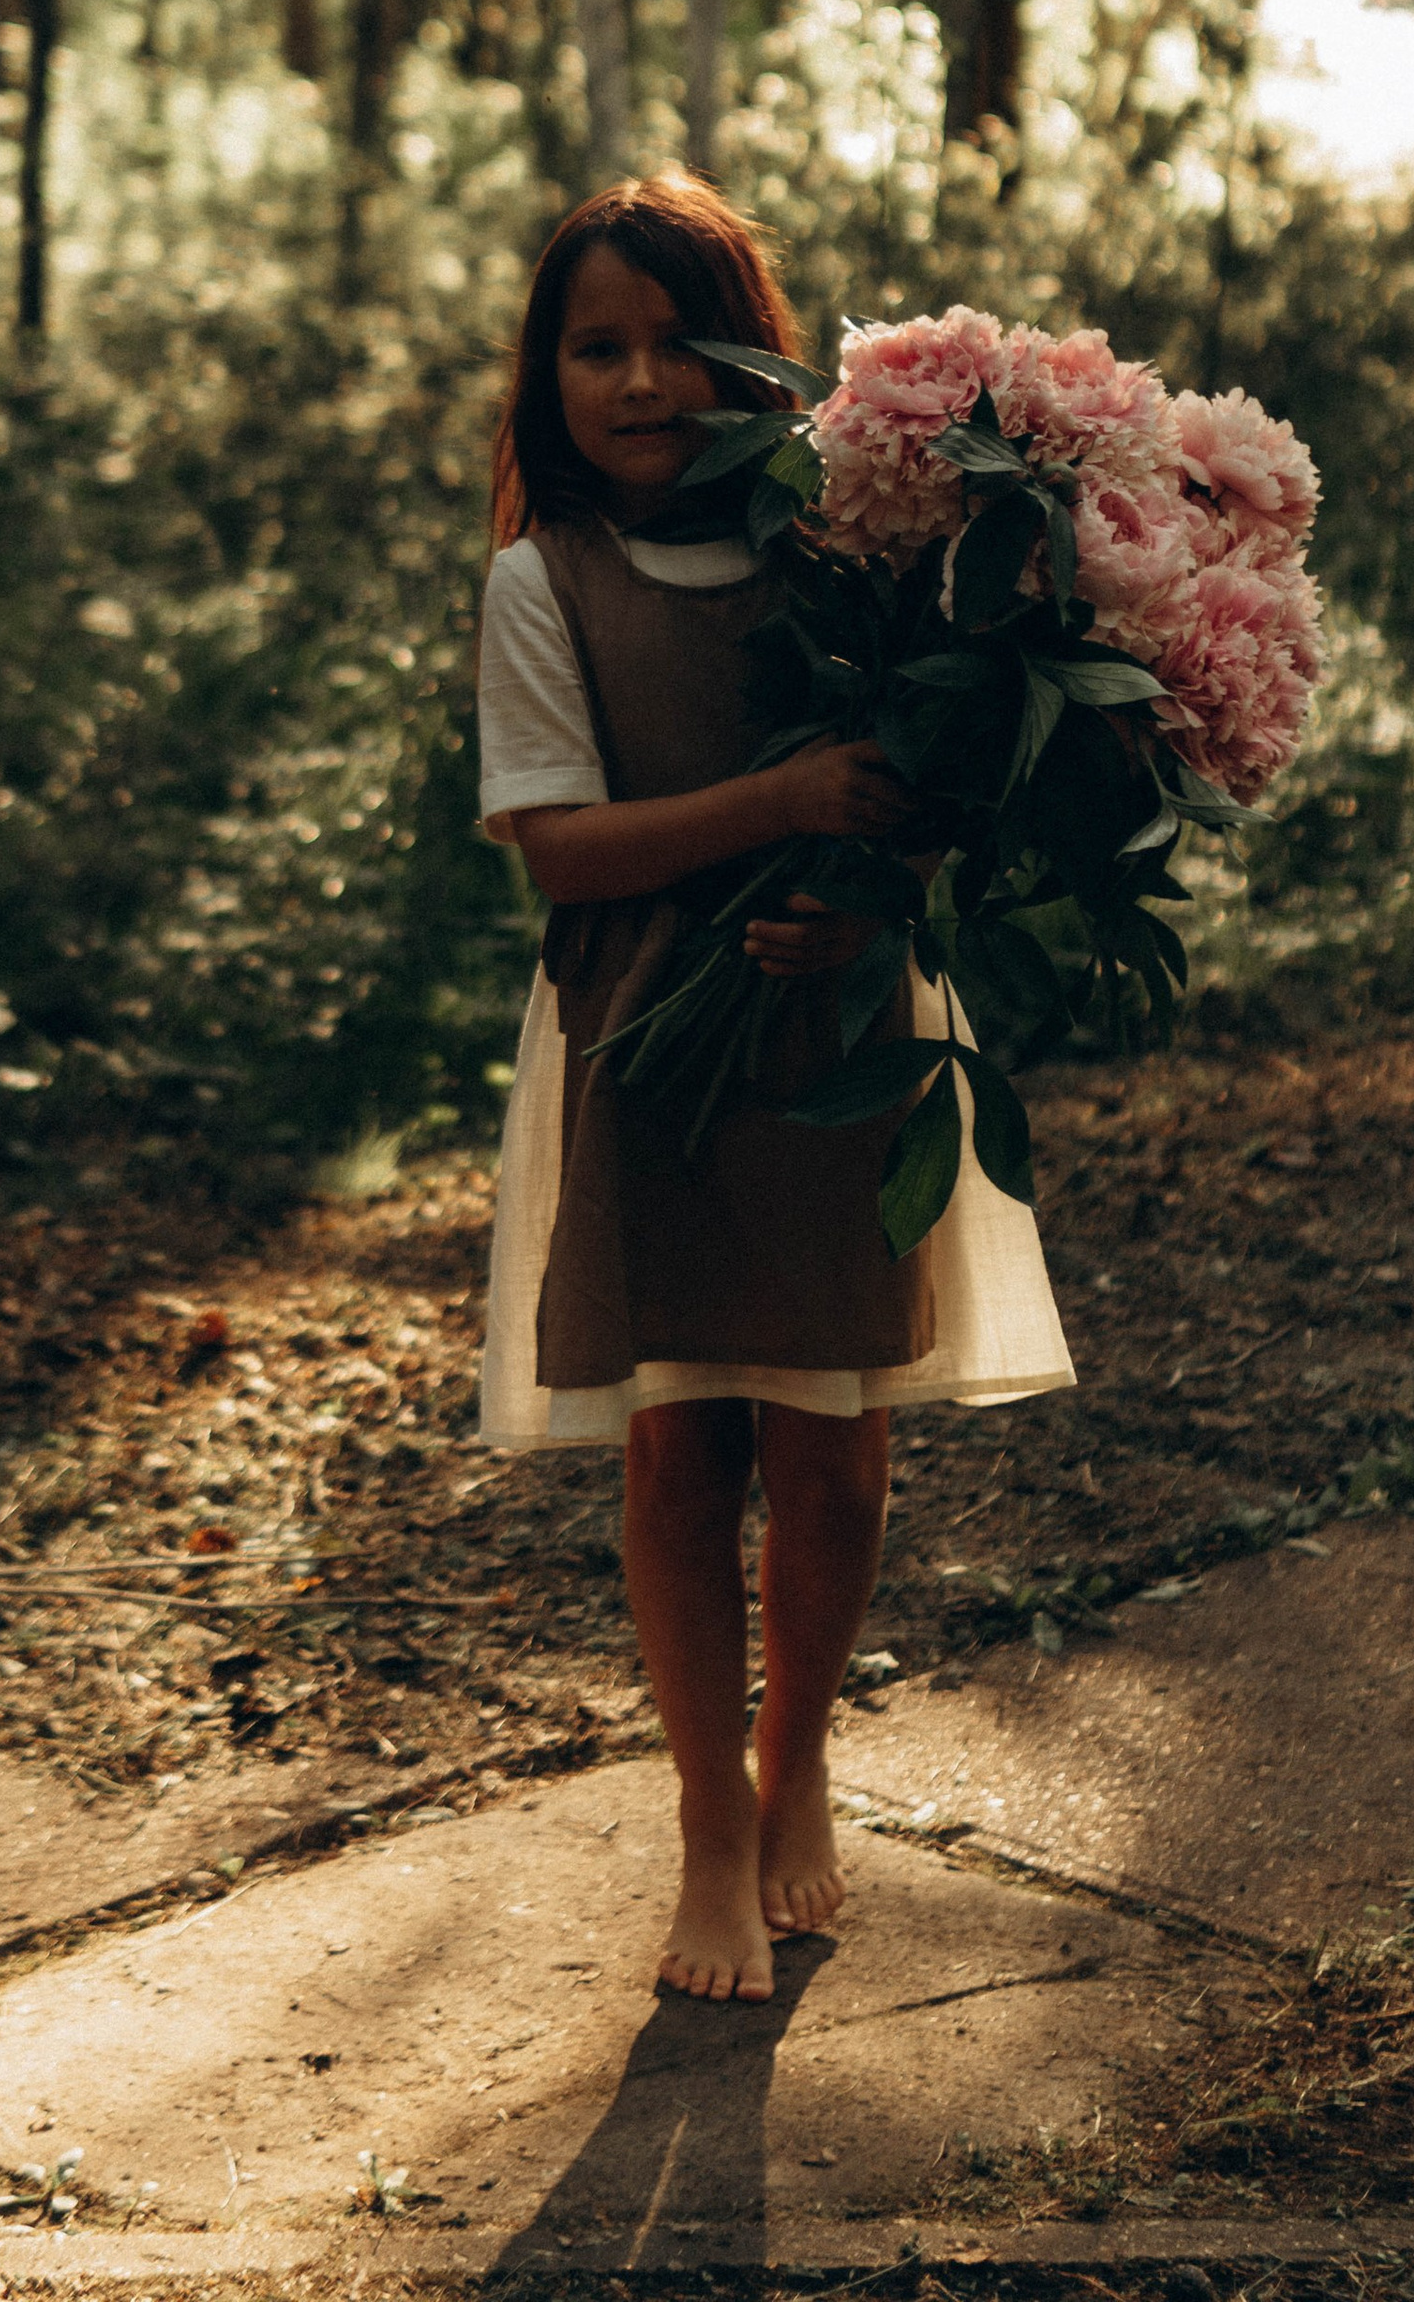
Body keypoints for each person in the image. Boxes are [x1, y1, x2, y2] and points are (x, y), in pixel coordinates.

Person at [473, 172, 1073, 2004]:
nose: (643, 382)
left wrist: (864, 878)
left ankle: (797, 1750)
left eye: (680, 341)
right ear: (547, 375)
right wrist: (782, 813)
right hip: (645, 1035)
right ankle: (707, 1820)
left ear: (760, 360)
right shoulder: (538, 581)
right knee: (678, 1436)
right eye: (599, 348)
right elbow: (561, 849)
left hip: (843, 1040)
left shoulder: (856, 561)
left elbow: (941, 789)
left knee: (832, 1429)